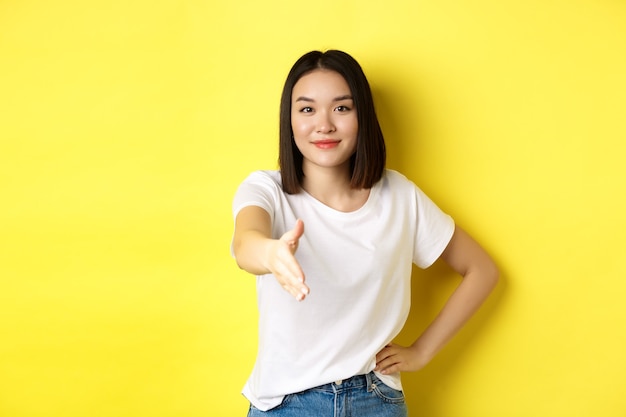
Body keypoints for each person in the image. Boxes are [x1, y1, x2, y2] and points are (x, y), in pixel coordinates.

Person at [231, 49, 499, 417]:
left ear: (363, 117)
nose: (324, 124)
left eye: (342, 108)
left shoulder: (400, 196)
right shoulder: (266, 190)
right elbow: (246, 242)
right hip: (287, 404)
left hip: (376, 399)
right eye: (307, 109)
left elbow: (482, 270)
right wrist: (270, 254)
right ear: (289, 120)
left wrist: (421, 352)